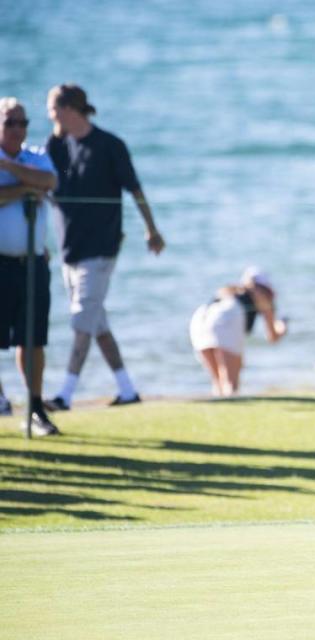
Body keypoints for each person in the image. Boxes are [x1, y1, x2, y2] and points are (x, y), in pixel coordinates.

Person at [43, 84, 165, 411]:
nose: (49, 117)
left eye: (53, 110)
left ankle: (64, 395)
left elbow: (135, 190)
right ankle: (127, 390)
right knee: (97, 323)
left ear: (70, 110)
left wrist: (151, 229)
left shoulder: (109, 146)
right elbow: (41, 185)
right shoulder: (55, 147)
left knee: (82, 319)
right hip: (70, 250)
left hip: (101, 250)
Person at [0, 97, 60, 436]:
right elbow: (36, 185)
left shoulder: (36, 155)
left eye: (22, 123)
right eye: (10, 123)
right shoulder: (29, 167)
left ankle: (35, 407)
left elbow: (49, 182)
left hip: (33, 263)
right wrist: (24, 187)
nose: (18, 130)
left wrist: (9, 172)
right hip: (1, 262)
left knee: (33, 336)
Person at [189, 267, 287, 396]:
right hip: (227, 318)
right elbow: (272, 336)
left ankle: (217, 412)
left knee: (218, 382)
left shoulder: (229, 291)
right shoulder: (262, 297)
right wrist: (282, 327)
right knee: (230, 384)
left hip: (200, 318)